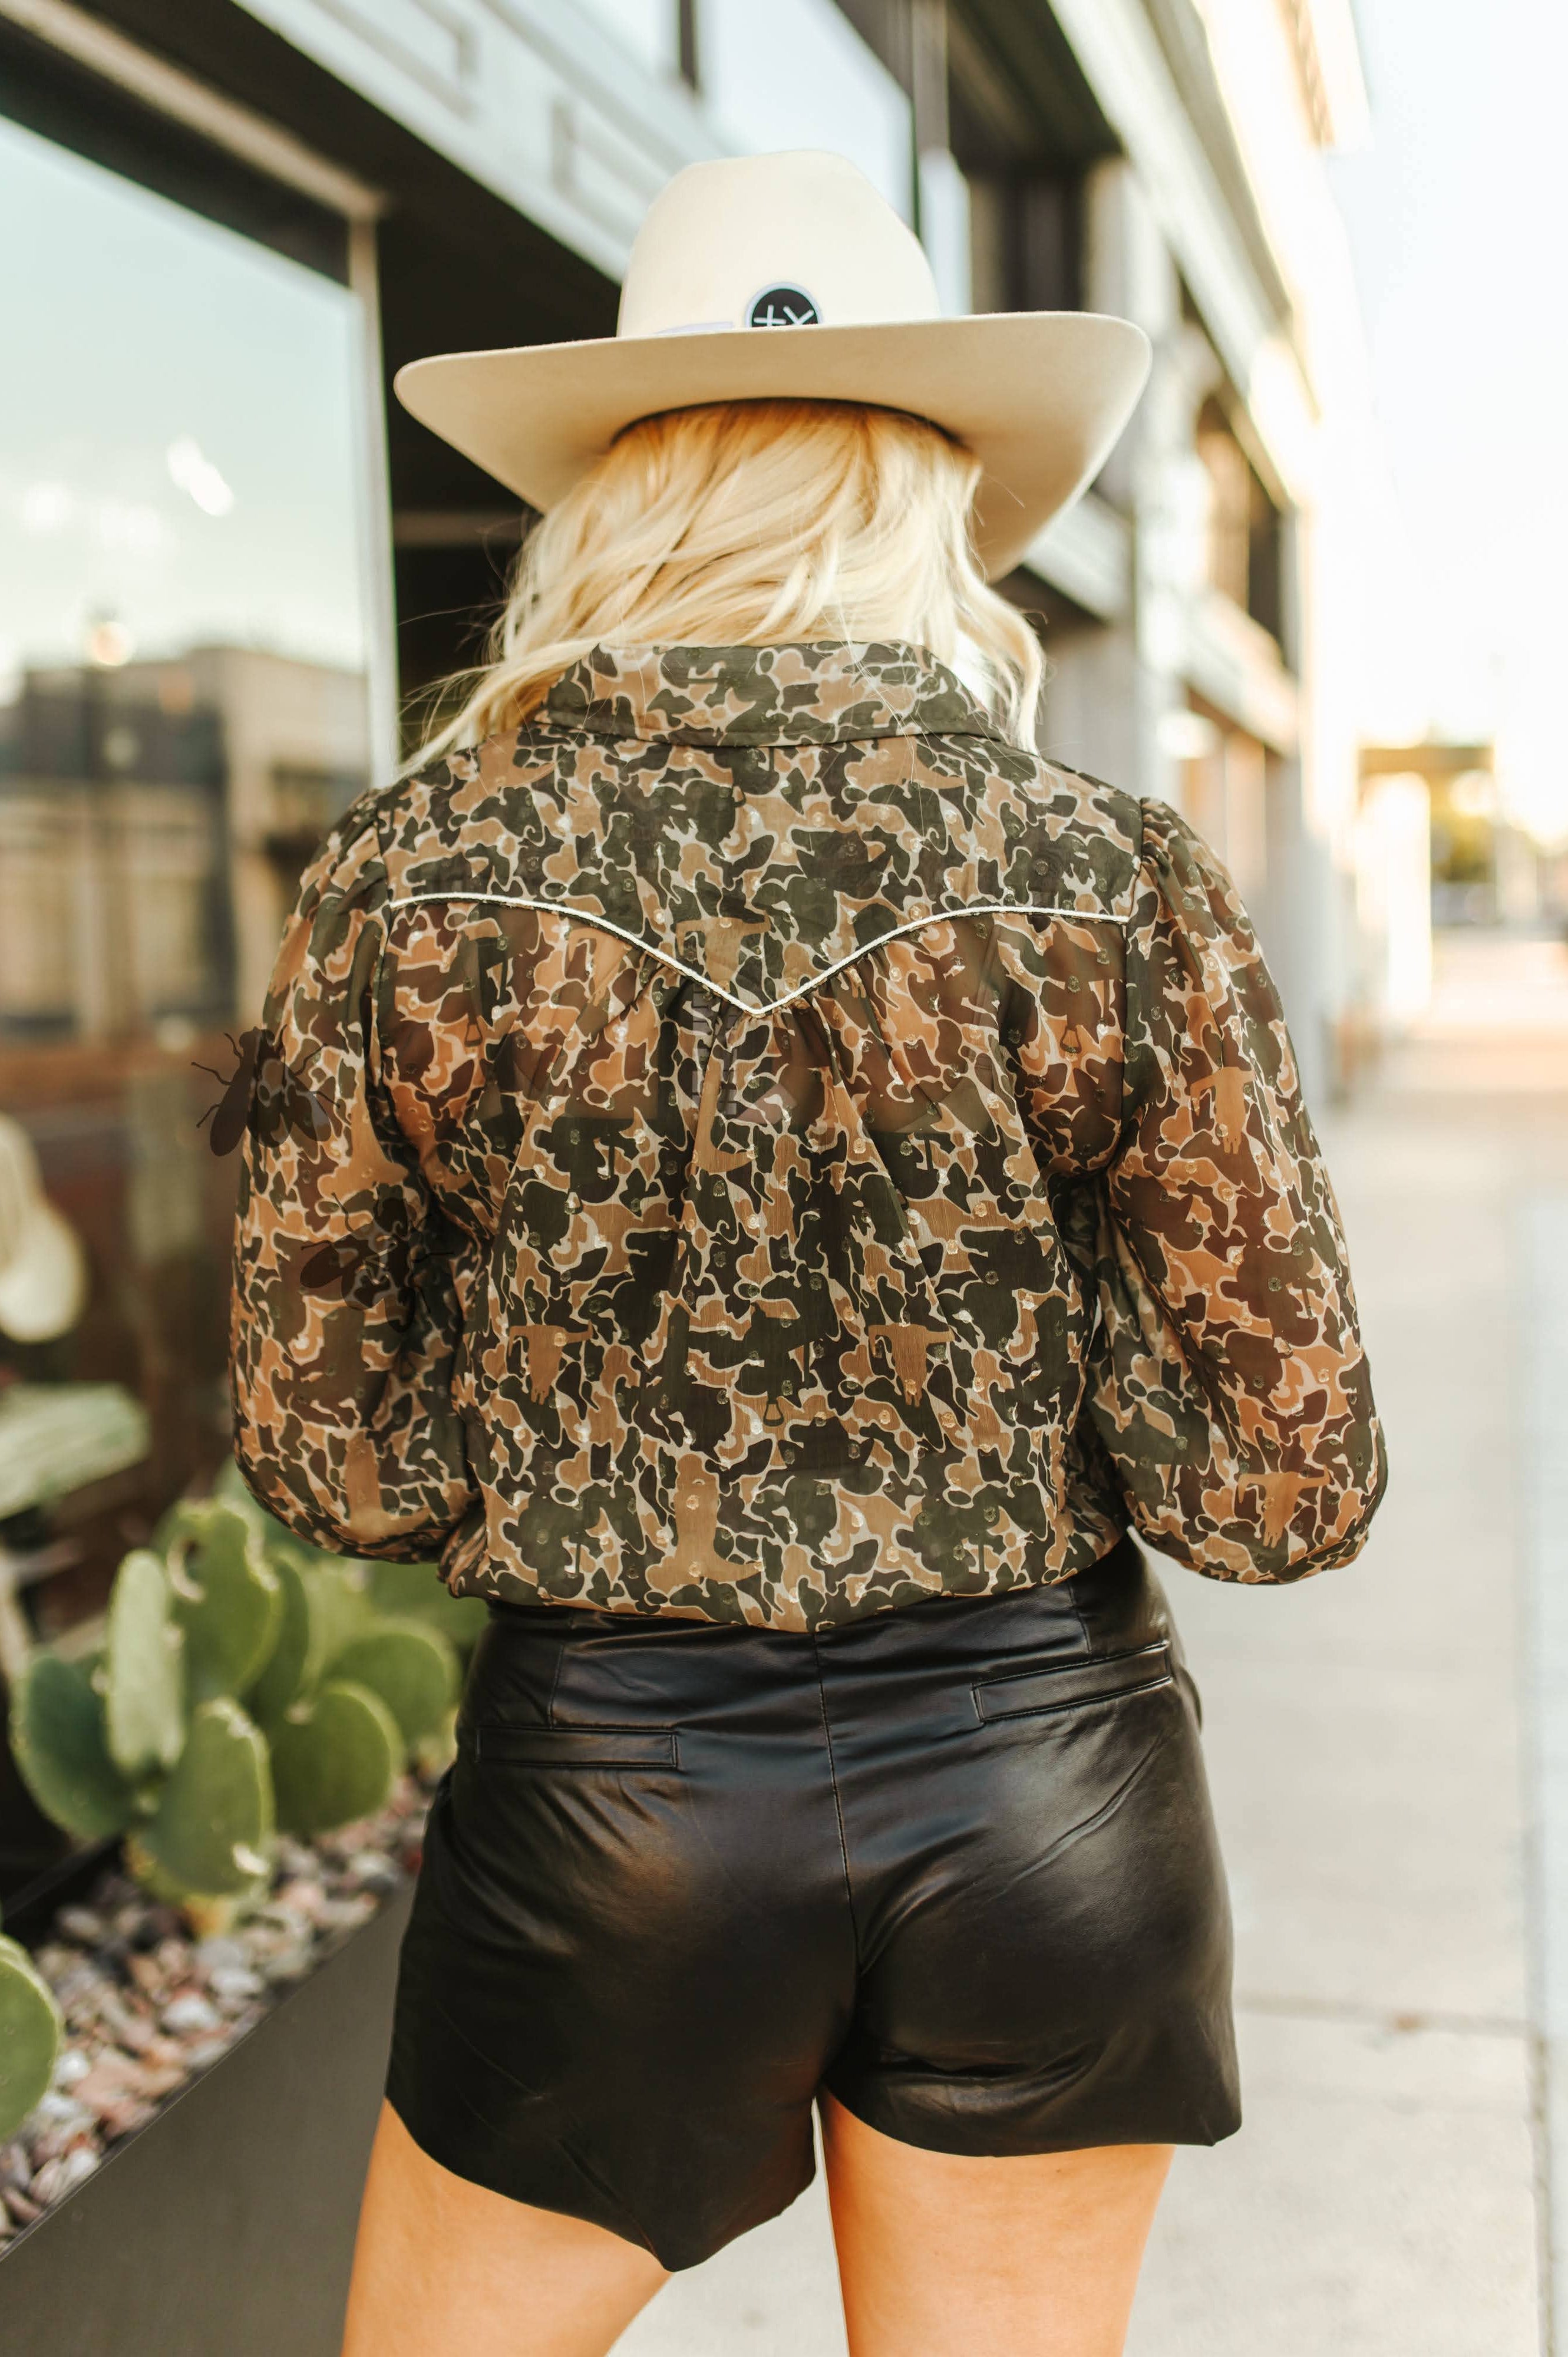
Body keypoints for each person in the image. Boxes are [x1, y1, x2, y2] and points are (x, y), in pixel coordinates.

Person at [229, 151, 1386, 2357]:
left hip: (609, 1791)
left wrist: (579, 1407)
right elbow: (1284, 1485)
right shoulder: (1107, 873)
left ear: (613, 490)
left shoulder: (411, 872)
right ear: (930, 494)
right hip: (1051, 1779)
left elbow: (329, 1465)